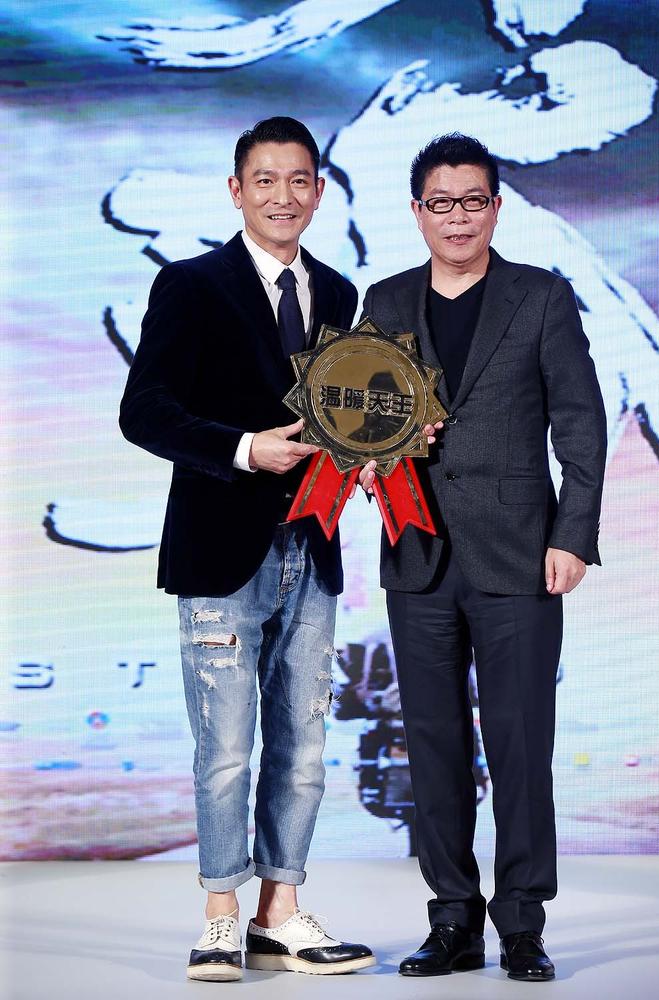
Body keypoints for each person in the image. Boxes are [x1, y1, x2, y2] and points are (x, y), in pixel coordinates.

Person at [119, 116, 374, 982]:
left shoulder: (338, 292)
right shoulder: (191, 285)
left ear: (319, 191)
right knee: (226, 748)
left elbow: (344, 414)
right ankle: (220, 916)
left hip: (314, 547)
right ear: (237, 190)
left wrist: (378, 451)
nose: (283, 196)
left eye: (299, 180)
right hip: (221, 548)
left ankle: (280, 911)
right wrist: (242, 448)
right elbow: (143, 411)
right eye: (265, 180)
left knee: (303, 745)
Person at [359, 132, 606, 981]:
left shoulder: (541, 297)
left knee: (519, 743)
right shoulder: (385, 302)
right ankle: (453, 920)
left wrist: (572, 535)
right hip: (418, 552)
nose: (457, 217)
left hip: (521, 555)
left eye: (472, 201)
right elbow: (360, 421)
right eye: (441, 202)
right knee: (432, 743)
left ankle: (523, 925)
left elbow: (580, 424)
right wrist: (368, 458)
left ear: (496, 208)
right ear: (417, 211)